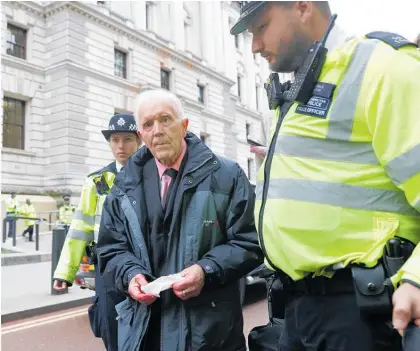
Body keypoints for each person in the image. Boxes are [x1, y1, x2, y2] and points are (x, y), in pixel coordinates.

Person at [231, 1, 420, 350]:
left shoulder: (383, 66)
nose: (255, 45)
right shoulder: (303, 85)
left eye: (260, 27)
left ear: (302, 7)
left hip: (363, 311)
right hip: (300, 308)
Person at [96, 89, 263, 351]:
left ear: (184, 126)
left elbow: (250, 241)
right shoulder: (123, 184)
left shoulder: (227, 175)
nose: (157, 130)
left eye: (165, 119)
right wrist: (130, 274)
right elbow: (111, 248)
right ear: (141, 135)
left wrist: (206, 270)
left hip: (208, 335)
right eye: (148, 124)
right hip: (144, 332)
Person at [53, 113, 142, 351]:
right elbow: (80, 227)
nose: (120, 146)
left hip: (144, 265)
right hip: (107, 267)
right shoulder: (97, 181)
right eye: (115, 139)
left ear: (139, 141)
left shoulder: (152, 175)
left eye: (127, 139)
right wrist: (64, 272)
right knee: (110, 328)